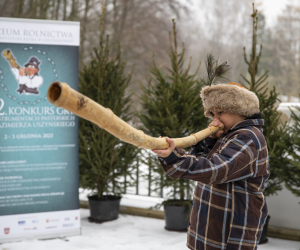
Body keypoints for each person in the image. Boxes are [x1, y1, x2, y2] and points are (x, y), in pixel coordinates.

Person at [152, 82, 269, 250]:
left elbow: (215, 170)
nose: (215, 119)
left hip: (230, 233)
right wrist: (210, 140)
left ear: (240, 110)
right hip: (208, 226)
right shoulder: (228, 136)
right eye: (213, 113)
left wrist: (174, 157)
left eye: (220, 112)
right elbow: (199, 160)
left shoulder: (248, 137)